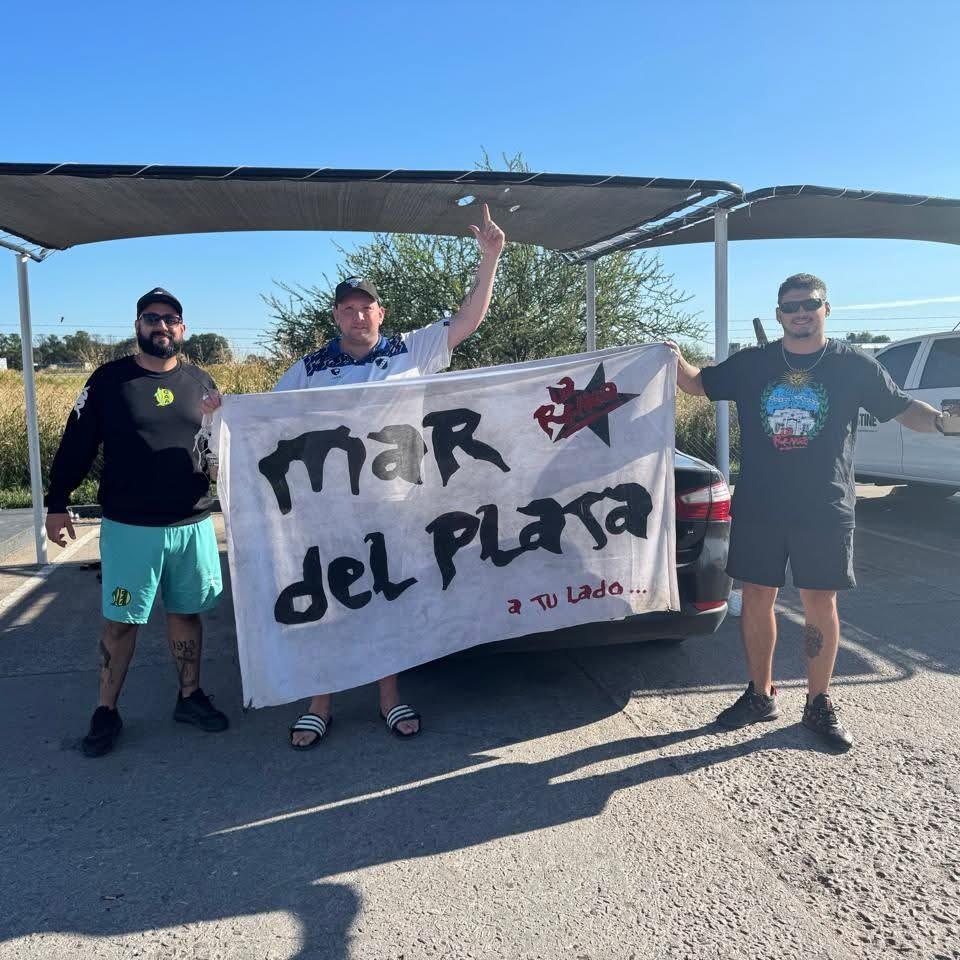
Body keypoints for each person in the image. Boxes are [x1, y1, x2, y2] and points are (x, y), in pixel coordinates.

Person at [203, 203, 506, 748]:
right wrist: (224, 412)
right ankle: (320, 701)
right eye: (348, 309)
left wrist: (490, 259)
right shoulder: (310, 368)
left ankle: (389, 696)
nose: (358, 317)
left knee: (388, 597)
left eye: (366, 308)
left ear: (381, 313)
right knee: (328, 598)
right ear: (336, 317)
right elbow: (268, 421)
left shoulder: (412, 350)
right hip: (327, 509)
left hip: (396, 503)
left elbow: (468, 319)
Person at [669, 273, 952, 751]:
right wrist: (671, 356)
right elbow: (697, 384)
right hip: (761, 504)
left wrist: (944, 422)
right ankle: (760, 695)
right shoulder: (754, 363)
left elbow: (903, 408)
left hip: (825, 505)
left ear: (827, 309)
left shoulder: (853, 365)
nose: (801, 312)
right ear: (779, 314)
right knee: (756, 596)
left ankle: (818, 702)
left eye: (810, 303)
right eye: (791, 305)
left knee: (821, 602)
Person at [45, 288, 229, 758]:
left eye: (170, 319)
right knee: (121, 622)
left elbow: (220, 449)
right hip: (130, 527)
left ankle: (190, 696)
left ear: (182, 329)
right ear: (137, 326)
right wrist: (57, 501)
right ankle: (106, 710)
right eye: (151, 317)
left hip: (190, 523)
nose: (161, 326)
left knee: (186, 613)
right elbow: (76, 443)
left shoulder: (201, 382)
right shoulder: (109, 381)